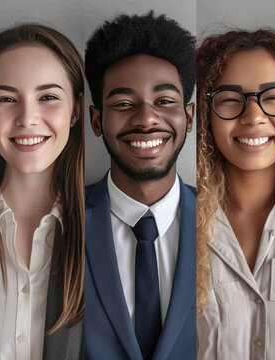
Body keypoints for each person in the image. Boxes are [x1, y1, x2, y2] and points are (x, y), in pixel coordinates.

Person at [84, 11, 196, 360]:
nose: (146, 118)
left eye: (164, 101)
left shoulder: (227, 221)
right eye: (123, 103)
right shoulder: (58, 222)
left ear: (189, 117)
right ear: (96, 120)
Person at [0, 24, 84, 359]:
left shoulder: (106, 227)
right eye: (7, 99)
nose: (27, 118)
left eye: (48, 97)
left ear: (76, 110)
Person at [196, 29, 275, 359]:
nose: (254, 116)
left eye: (273, 97)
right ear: (205, 113)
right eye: (230, 98)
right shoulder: (179, 223)